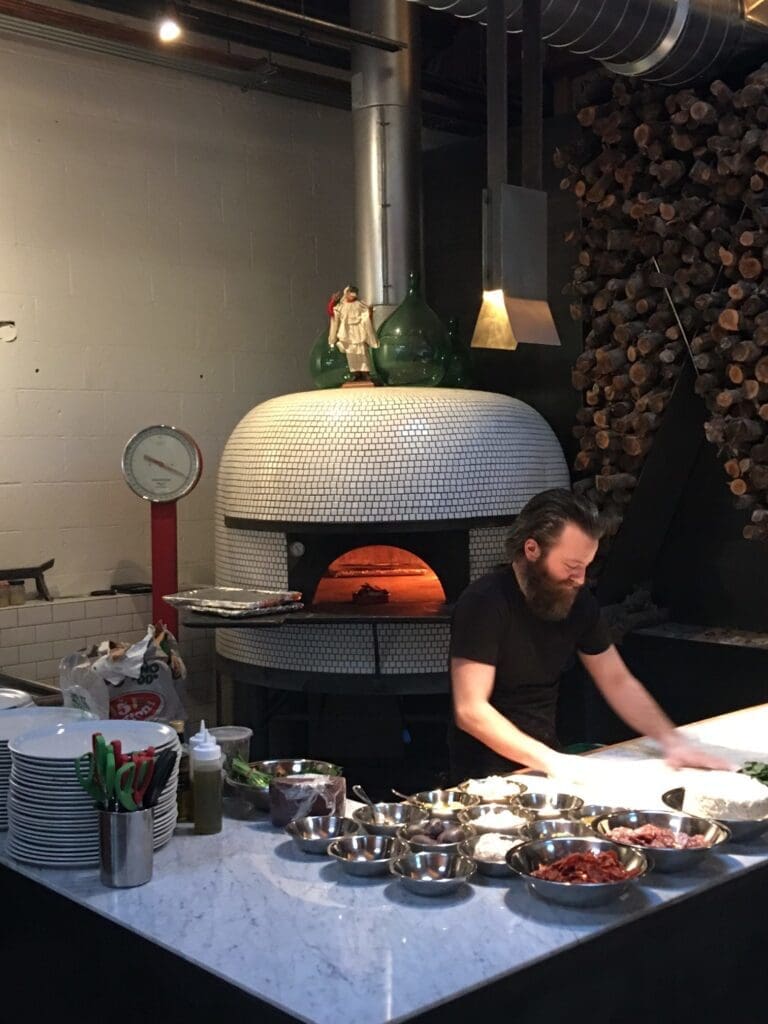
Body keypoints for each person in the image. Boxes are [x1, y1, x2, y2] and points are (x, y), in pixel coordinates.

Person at [449, 488, 733, 783]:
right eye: (572, 567)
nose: (581, 579)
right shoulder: (484, 602)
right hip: (483, 776)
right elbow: (471, 710)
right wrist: (552, 761)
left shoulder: (577, 601)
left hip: (542, 762)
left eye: (586, 566)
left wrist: (671, 740)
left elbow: (616, 680)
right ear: (531, 550)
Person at [328, 284, 378, 381]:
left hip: (359, 332)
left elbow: (367, 314)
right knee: (351, 354)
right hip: (347, 333)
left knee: (362, 352)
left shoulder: (360, 304)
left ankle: (365, 372)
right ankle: (356, 373)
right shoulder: (341, 306)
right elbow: (333, 313)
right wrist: (332, 302)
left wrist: (369, 313)